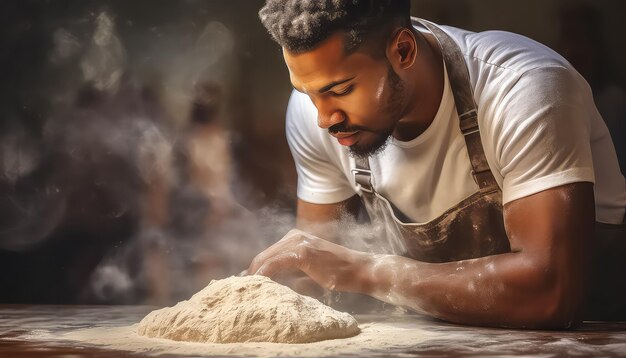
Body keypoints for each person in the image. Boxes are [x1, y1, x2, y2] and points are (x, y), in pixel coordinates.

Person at [246, 0, 626, 328]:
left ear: (404, 51)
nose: (324, 118)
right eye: (307, 92)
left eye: (341, 90)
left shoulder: (522, 89)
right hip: (449, 339)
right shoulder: (318, 116)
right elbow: (315, 272)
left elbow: (552, 292)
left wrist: (367, 272)